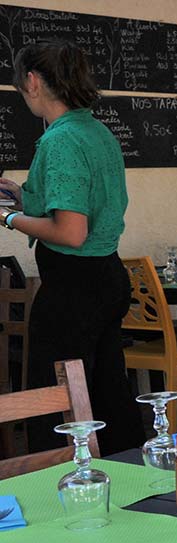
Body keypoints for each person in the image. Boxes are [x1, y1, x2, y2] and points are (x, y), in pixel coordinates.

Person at [0, 40, 142, 455]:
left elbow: (70, 231)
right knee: (108, 396)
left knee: (56, 407)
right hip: (107, 277)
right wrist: (21, 197)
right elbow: (77, 208)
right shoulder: (96, 132)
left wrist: (7, 218)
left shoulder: (59, 140)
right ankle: (130, 487)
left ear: (32, 81)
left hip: (73, 287)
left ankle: (60, 492)